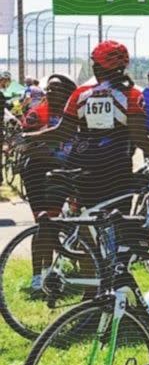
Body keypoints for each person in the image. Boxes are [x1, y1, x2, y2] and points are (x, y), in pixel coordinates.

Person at [21, 40, 149, 214]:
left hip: (81, 164)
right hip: (116, 169)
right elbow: (140, 139)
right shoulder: (131, 95)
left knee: (86, 217)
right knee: (119, 226)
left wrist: (28, 137)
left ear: (98, 68)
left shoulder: (80, 94)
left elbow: (62, 132)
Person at [18, 74, 77, 293]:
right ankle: (37, 275)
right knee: (43, 224)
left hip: (62, 174)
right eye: (49, 89)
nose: (50, 92)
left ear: (68, 93)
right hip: (37, 173)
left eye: (56, 89)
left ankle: (50, 271)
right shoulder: (37, 113)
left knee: (52, 225)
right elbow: (25, 144)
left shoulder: (74, 116)